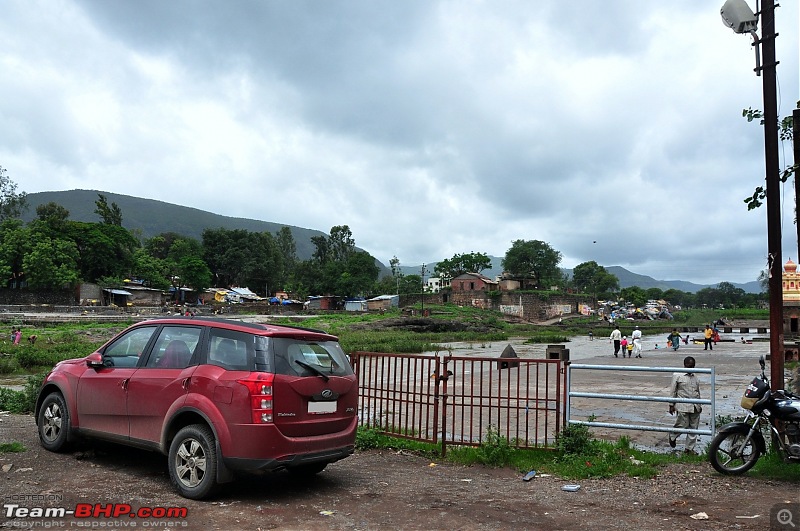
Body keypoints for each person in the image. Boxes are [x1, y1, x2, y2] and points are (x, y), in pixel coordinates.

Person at [668, 356, 702, 454]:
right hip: (683, 404)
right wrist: (671, 404)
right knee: (682, 424)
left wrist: (700, 404)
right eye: (689, 366)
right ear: (685, 365)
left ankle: (689, 449)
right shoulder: (678, 375)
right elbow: (673, 390)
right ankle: (673, 435)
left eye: (693, 367)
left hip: (695, 405)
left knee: (693, 428)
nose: (691, 368)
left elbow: (697, 391)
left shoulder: (695, 377)